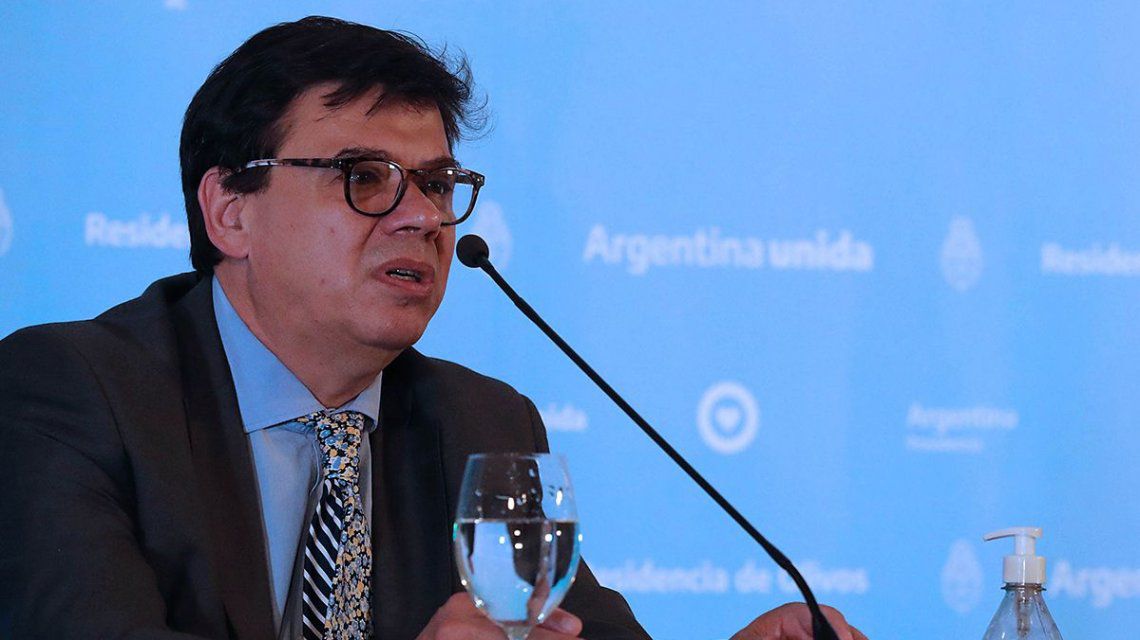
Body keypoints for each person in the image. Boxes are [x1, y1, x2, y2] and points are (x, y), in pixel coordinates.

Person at [0, 16, 866, 640]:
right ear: (231, 211)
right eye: (364, 177)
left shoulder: (480, 421)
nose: (422, 218)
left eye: (439, 183)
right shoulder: (71, 394)